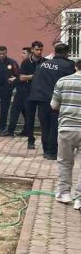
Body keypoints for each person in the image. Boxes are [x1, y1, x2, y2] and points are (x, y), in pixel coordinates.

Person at [27, 43, 75, 159]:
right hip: (57, 100)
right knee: (55, 126)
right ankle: (52, 152)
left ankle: (46, 150)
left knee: (45, 126)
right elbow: (70, 81)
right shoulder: (68, 65)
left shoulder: (43, 64)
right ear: (66, 53)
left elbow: (36, 81)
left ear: (55, 52)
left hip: (41, 99)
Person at [50, 58, 81, 211]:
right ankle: (80, 198)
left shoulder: (63, 81)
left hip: (67, 127)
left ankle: (64, 193)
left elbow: (54, 105)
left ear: (76, 67)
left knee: (64, 162)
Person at [20, 41, 46, 149]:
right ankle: (30, 140)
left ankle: (46, 141)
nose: (39, 52)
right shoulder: (26, 62)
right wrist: (34, 76)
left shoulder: (45, 62)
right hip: (29, 93)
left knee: (43, 118)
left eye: (40, 49)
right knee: (29, 118)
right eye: (37, 49)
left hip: (42, 93)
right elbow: (22, 77)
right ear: (32, 50)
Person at [7, 46, 32, 139]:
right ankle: (11, 130)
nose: (22, 55)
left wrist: (15, 79)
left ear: (30, 54)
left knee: (25, 112)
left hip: (27, 92)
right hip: (20, 90)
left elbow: (23, 78)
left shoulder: (31, 64)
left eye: (24, 53)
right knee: (17, 111)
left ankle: (24, 131)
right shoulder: (24, 63)